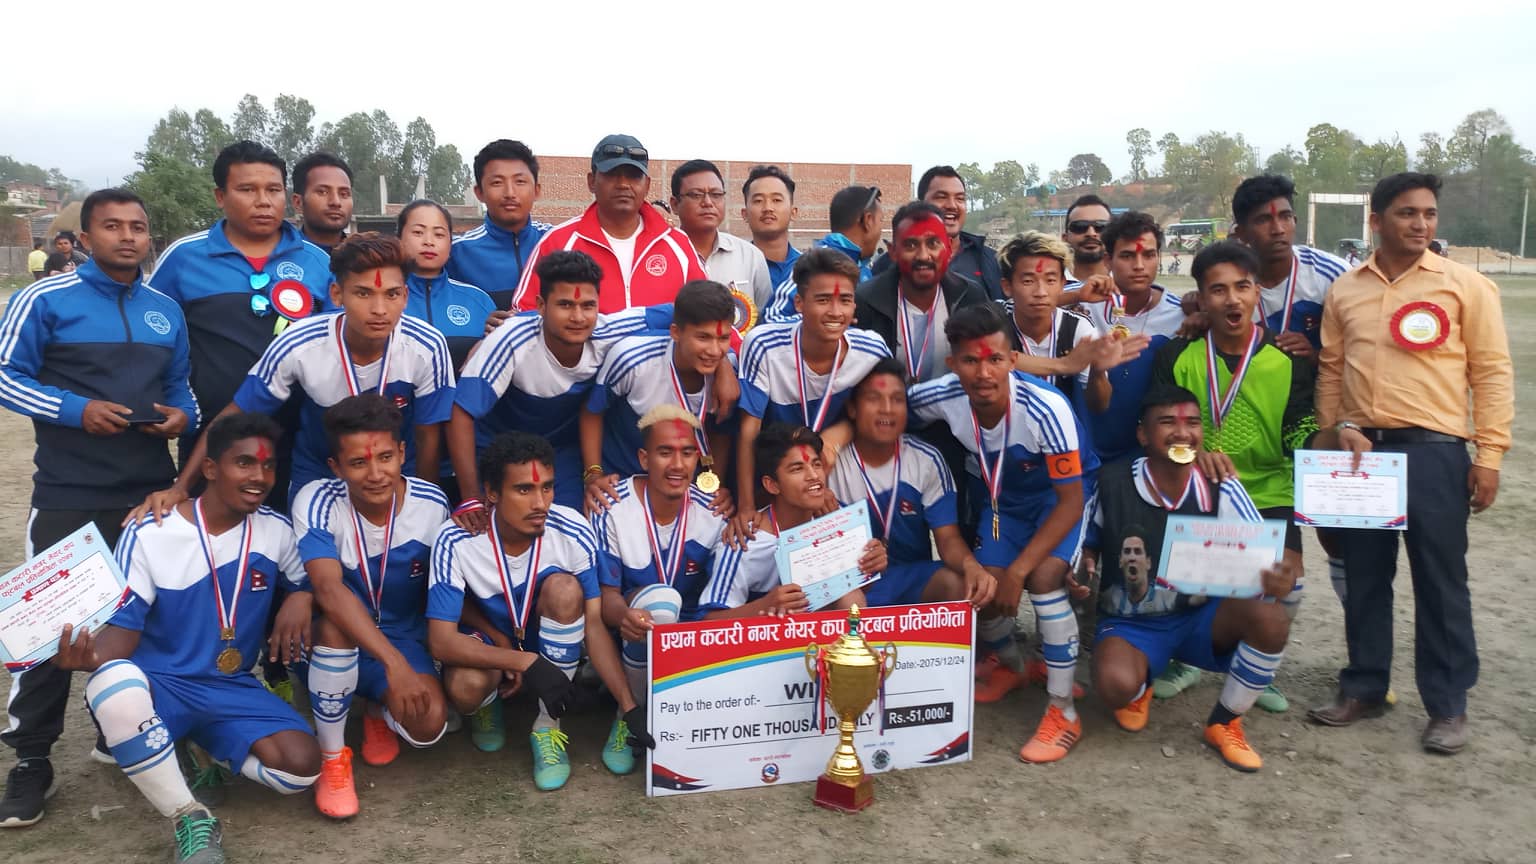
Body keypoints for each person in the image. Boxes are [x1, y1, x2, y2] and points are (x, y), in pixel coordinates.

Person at [0, 189, 198, 828]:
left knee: (144, 619)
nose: (128, 236)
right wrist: (74, 409)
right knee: (49, 628)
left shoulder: (165, 310)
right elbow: (5, 376)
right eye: (112, 226)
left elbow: (182, 388)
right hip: (70, 490)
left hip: (148, 490)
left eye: (138, 226)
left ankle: (120, 730)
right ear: (85, 238)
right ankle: (32, 758)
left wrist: (181, 417)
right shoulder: (44, 299)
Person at [51, 413, 320, 861]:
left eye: (268, 466)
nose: (259, 476)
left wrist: (301, 596)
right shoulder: (150, 531)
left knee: (300, 770)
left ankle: (201, 748)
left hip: (229, 684)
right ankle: (189, 815)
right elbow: (123, 635)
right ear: (210, 468)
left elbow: (306, 579)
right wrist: (88, 659)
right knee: (113, 684)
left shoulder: (276, 530)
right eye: (245, 463)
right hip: (161, 684)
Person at [1309, 172, 1514, 756]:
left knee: (1441, 583)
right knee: (1365, 578)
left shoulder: (1466, 287)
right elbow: (1331, 371)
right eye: (1406, 213)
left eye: (1428, 213)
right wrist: (1333, 433)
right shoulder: (1346, 290)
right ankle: (1365, 687)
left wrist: (1489, 455)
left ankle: (1447, 705)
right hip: (1362, 455)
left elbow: (1491, 373)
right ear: (1376, 221)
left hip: (1435, 453)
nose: (1420, 224)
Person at [131, 233, 454, 519]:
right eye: (363, 294)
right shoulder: (299, 343)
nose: (380, 309)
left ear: (406, 296)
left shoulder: (427, 346)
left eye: (392, 294)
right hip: (319, 471)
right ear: (337, 294)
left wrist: (419, 504)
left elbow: (427, 437)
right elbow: (233, 416)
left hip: (393, 471)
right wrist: (181, 487)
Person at [1151, 241, 1330, 712]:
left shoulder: (1287, 358)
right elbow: (1159, 431)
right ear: (1200, 297)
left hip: (1268, 488)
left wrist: (1329, 440)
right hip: (1195, 487)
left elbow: (1298, 429)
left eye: (1242, 287)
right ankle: (1187, 659)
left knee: (1286, 580)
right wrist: (1193, 455)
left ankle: (1256, 661)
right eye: (1218, 290)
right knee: (1190, 579)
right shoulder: (1178, 355)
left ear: (1255, 292)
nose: (1232, 299)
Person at [908, 304, 1089, 763]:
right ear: (953, 363)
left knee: (1043, 579)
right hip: (1001, 501)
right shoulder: (941, 394)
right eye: (970, 360)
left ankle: (1063, 711)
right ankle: (1012, 664)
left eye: (994, 359)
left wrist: (1020, 571)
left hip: (1057, 499)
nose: (983, 372)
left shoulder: (1046, 408)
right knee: (982, 586)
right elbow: (886, 405)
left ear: (1013, 359)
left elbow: (1070, 501)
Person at [1088, 385, 1298, 772]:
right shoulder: (1112, 482)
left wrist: (1275, 576)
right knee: (1115, 686)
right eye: (1168, 423)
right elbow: (1086, 543)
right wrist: (1082, 565)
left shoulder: (1221, 483)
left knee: (1271, 619)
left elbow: (1261, 556)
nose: (1182, 433)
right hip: (1134, 622)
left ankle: (1225, 722)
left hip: (1202, 616)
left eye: (1193, 423)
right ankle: (1141, 682)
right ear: (1142, 434)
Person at [428, 432, 652, 788]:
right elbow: (441, 642)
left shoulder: (572, 529)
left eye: (547, 488)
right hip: (491, 642)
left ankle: (546, 727)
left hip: (548, 635)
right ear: (492, 492)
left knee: (565, 589)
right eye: (523, 490)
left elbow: (594, 626)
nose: (540, 503)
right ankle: (488, 702)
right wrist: (523, 661)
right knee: (465, 688)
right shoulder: (456, 538)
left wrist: (629, 706)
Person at [290, 394, 451, 818]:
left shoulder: (433, 504)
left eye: (385, 457)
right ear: (336, 467)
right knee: (334, 626)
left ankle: (378, 706)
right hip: (338, 635)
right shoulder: (315, 499)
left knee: (429, 725)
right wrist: (395, 665)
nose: (376, 474)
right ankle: (332, 760)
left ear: (402, 453)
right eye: (359, 463)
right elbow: (328, 589)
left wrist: (402, 659)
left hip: (402, 635)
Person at [143, 141, 333, 495]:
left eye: (273, 190)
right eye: (247, 190)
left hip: (302, 440)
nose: (263, 201)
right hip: (214, 440)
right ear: (220, 196)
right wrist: (172, 403)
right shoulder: (184, 258)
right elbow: (151, 342)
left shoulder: (318, 261)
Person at [448, 251, 672, 517]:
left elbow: (686, 310)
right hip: (499, 447)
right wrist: (471, 497)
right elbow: (461, 412)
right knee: (503, 526)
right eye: (565, 305)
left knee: (572, 523)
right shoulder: (511, 338)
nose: (578, 317)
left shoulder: (609, 329)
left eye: (588, 306)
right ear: (541, 306)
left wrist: (717, 369)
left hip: (561, 452)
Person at [592, 406, 727, 749]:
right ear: (644, 458)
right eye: (665, 452)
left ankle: (678, 718)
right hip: (628, 630)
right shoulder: (612, 506)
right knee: (661, 603)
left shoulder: (714, 511)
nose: (678, 465)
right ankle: (629, 717)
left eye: (687, 453)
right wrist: (625, 616)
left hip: (691, 633)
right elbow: (606, 598)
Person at [734, 248, 891, 529]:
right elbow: (749, 432)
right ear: (799, 303)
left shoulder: (872, 350)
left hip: (836, 469)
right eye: (823, 300)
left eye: (845, 300)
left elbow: (879, 416)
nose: (835, 312)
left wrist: (836, 437)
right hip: (776, 475)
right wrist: (746, 506)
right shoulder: (764, 345)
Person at [825, 360, 996, 607]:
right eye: (874, 399)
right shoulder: (830, 464)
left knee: (958, 583)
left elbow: (948, 538)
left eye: (897, 399)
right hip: (851, 584)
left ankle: (988, 633)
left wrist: (972, 566)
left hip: (910, 578)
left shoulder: (926, 460)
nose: (887, 409)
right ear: (852, 409)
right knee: (845, 601)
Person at [698, 423, 886, 618]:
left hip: (824, 634)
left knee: (850, 596)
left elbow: (856, 590)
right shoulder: (745, 540)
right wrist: (764, 605)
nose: (813, 476)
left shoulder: (836, 516)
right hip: (770, 636)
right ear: (772, 485)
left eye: (817, 464)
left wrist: (872, 564)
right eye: (797, 469)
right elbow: (708, 621)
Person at [582, 279, 738, 504]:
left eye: (723, 338)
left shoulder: (728, 369)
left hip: (684, 485)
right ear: (675, 332)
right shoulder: (632, 358)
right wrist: (594, 473)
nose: (714, 351)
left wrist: (716, 485)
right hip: (620, 479)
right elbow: (592, 411)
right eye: (703, 337)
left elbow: (721, 428)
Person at [512, 134, 704, 314]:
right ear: (592, 181)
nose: (623, 184)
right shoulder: (557, 243)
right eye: (612, 174)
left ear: (647, 185)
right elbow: (524, 314)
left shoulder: (678, 244)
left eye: (633, 176)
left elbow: (705, 314)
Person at [1080, 211, 1186, 465]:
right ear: (1108, 260)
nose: (1139, 265)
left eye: (1148, 255)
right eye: (1127, 256)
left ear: (1159, 257)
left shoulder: (1181, 315)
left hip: (1147, 456)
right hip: (1085, 448)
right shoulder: (1083, 302)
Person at [854, 201, 990, 385]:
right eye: (911, 245)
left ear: (949, 248)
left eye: (933, 244)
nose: (923, 256)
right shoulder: (865, 301)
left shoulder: (971, 297)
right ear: (893, 252)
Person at [1229, 175, 1348, 357]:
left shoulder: (1335, 274)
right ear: (1241, 233)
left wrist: (1315, 356)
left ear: (1295, 221)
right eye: (1263, 220)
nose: (1278, 229)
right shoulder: (1228, 284)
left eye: (1285, 217)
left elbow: (1363, 348)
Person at [872, 166, 1003, 300]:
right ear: (921, 204)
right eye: (941, 197)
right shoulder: (887, 264)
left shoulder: (992, 261)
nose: (952, 205)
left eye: (960, 198)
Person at [449, 139, 552, 311]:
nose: (510, 193)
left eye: (520, 182)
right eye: (497, 182)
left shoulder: (556, 241)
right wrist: (480, 321)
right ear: (479, 193)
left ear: (537, 190)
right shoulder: (455, 252)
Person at [397, 199, 496, 373]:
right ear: (399, 239)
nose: (429, 241)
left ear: (450, 243)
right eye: (418, 232)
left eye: (439, 234)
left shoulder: (479, 301)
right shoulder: (383, 299)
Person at [670, 159, 771, 316]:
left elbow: (764, 319)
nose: (708, 202)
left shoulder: (750, 256)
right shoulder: (660, 256)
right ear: (675, 204)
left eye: (716, 195)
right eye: (696, 195)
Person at [741, 165, 801, 315]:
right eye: (758, 200)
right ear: (745, 214)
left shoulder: (811, 268)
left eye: (776, 200)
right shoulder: (735, 266)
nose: (768, 208)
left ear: (793, 212)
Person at [814, 185, 883, 283]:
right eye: (881, 220)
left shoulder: (860, 266)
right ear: (868, 221)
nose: (881, 229)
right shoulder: (819, 269)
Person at [290, 152, 354, 252]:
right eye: (323, 192)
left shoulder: (367, 257)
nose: (336, 202)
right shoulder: (280, 257)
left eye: (344, 194)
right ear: (298, 202)